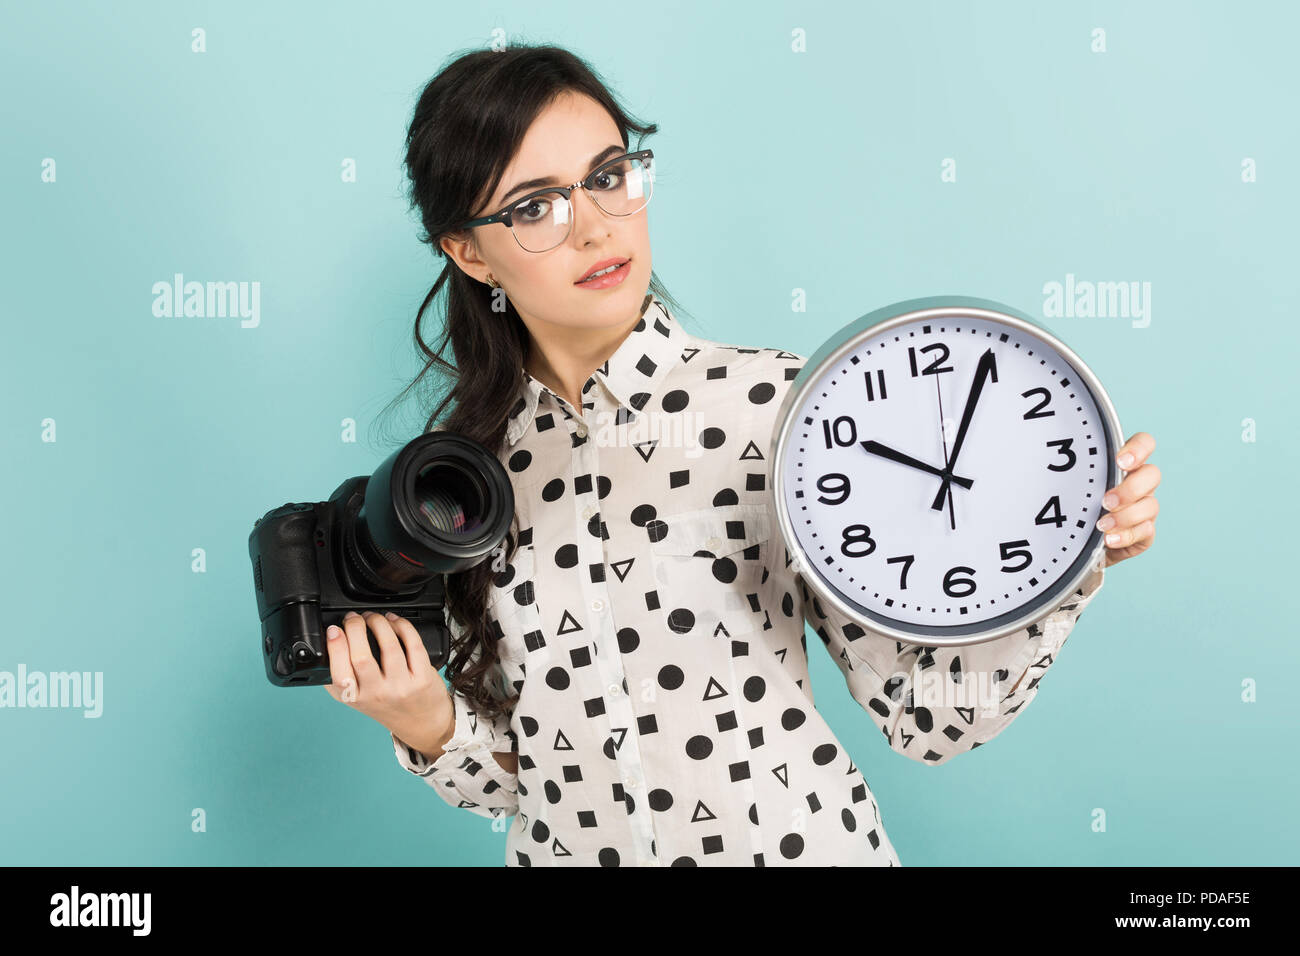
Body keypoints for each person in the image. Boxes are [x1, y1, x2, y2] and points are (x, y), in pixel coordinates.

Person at [322, 44, 1161, 867]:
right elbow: (529, 781)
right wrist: (426, 719)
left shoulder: (784, 410)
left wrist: (1064, 567)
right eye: (535, 206)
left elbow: (925, 717)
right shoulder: (462, 481)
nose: (596, 227)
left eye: (608, 176)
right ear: (469, 251)